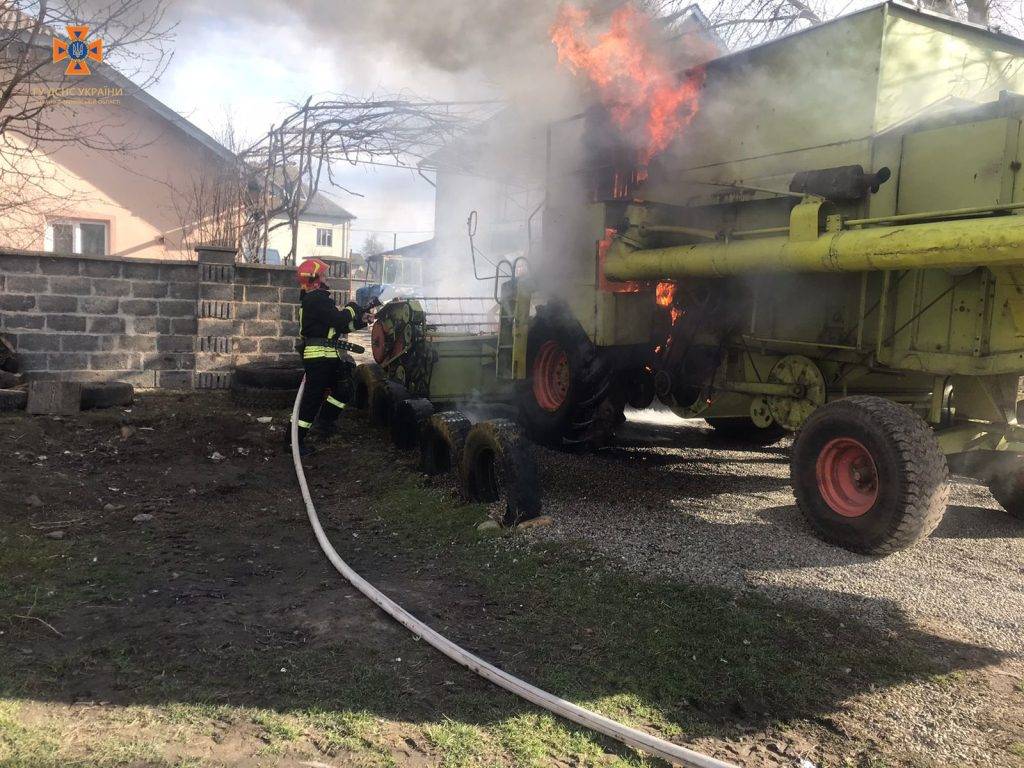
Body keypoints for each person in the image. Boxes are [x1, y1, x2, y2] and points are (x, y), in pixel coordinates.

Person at [293, 258, 370, 454]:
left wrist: (362, 321)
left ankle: (325, 423)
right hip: (318, 358)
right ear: (315, 280)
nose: (327, 278)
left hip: (329, 356)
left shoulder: (319, 300)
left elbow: (340, 326)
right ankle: (293, 441)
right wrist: (353, 306)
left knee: (343, 391)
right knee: (311, 401)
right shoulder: (316, 299)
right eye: (323, 275)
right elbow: (339, 319)